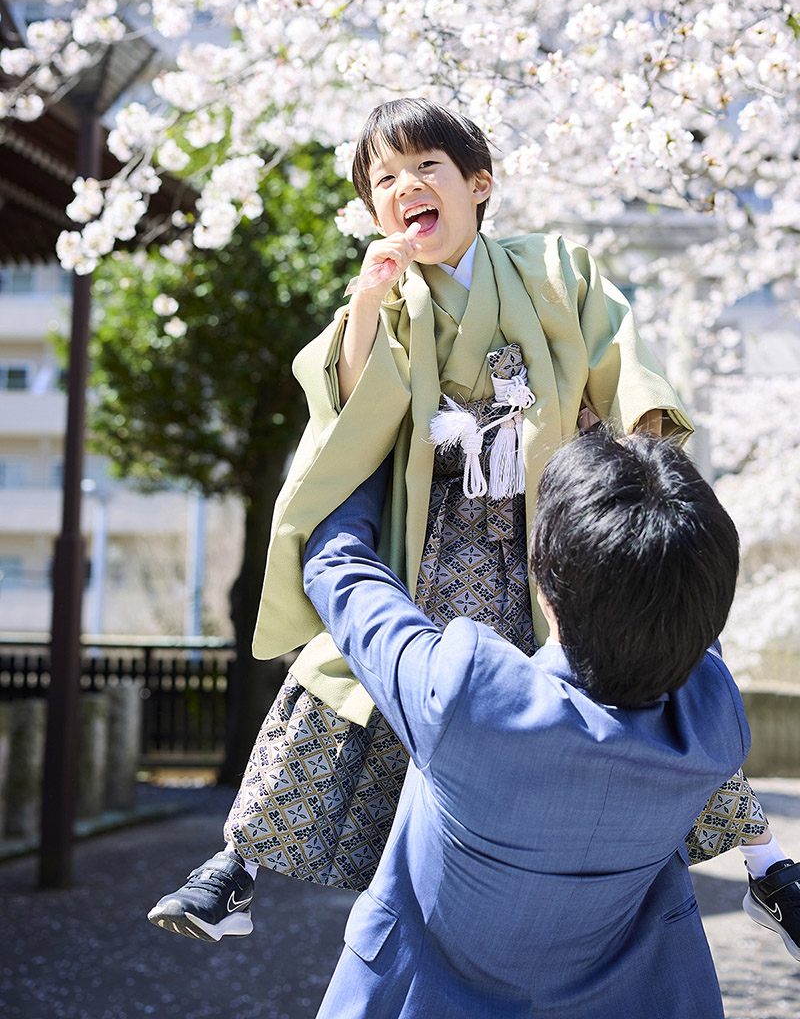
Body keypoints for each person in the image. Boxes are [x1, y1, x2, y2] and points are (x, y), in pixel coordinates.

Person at [148, 98, 798, 959]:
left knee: (661, 667)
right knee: (340, 682)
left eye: (426, 168)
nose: (405, 187)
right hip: (434, 541)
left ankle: (769, 868)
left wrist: (642, 477)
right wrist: (371, 306)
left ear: (477, 184)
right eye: (384, 179)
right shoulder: (384, 302)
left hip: (553, 539)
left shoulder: (552, 268)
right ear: (374, 211)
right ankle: (234, 868)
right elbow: (345, 411)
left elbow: (619, 359)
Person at [302, 430, 745, 1017]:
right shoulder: (714, 726)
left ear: (542, 582)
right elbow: (689, 609)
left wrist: (383, 434)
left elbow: (338, 565)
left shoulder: (470, 698)